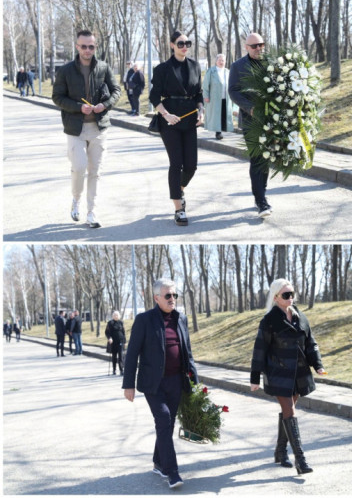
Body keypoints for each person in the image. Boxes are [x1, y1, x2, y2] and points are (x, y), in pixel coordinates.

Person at [123, 278, 198, 489]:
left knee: (168, 424)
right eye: (168, 295)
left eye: (175, 295)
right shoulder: (144, 320)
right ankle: (171, 472)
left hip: (176, 381)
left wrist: (195, 381)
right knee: (164, 418)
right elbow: (132, 354)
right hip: (153, 383)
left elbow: (187, 352)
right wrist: (128, 384)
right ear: (156, 298)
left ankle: (158, 462)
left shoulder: (180, 318)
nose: (172, 299)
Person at [250, 279, 326, 475]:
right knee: (290, 411)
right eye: (286, 295)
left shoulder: (301, 317)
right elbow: (259, 350)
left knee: (287, 412)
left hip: (299, 373)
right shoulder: (269, 321)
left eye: (292, 294)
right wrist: (254, 378)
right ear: (276, 297)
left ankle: (280, 451)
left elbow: (311, 342)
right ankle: (300, 459)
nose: (290, 297)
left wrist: (317, 365)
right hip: (278, 373)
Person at [52, 29, 121, 229]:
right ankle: (76, 199)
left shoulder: (104, 67)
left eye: (91, 46)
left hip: (99, 128)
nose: (88, 50)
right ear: (77, 46)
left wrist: (105, 105)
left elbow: (116, 90)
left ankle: (91, 212)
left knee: (95, 172)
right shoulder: (65, 71)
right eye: (84, 46)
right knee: (79, 168)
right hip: (75, 128)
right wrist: (77, 107)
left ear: (95, 47)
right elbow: (57, 97)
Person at [149, 30, 204, 227]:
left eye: (187, 43)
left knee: (191, 166)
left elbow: (198, 94)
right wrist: (166, 115)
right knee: (176, 164)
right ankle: (178, 208)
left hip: (190, 120)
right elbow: (154, 97)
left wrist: (201, 111)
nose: (184, 47)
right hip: (170, 121)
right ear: (172, 45)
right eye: (180, 43)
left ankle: (179, 188)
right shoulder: (163, 68)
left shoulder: (195, 66)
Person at [229, 33, 272, 218]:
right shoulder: (238, 66)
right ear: (246, 47)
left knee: (266, 157)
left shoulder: (272, 64)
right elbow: (233, 91)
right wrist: (250, 108)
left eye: (261, 45)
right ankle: (261, 201)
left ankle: (261, 192)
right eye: (254, 46)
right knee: (257, 158)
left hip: (272, 119)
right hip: (250, 119)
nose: (258, 49)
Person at [203, 53, 235, 140]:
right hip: (214, 98)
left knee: (224, 114)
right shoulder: (211, 71)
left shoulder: (228, 72)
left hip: (226, 97)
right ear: (216, 61)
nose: (221, 62)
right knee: (217, 115)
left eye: (223, 60)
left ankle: (223, 129)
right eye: (220, 60)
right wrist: (206, 96)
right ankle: (218, 133)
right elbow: (205, 85)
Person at [105, 310, 126, 375]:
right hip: (113, 342)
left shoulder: (121, 322)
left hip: (120, 341)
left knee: (121, 355)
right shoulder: (110, 323)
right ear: (112, 316)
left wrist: (124, 341)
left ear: (119, 316)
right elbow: (107, 332)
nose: (116, 316)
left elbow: (123, 332)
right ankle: (114, 370)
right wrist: (109, 338)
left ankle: (121, 370)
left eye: (117, 315)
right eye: (114, 315)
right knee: (114, 356)